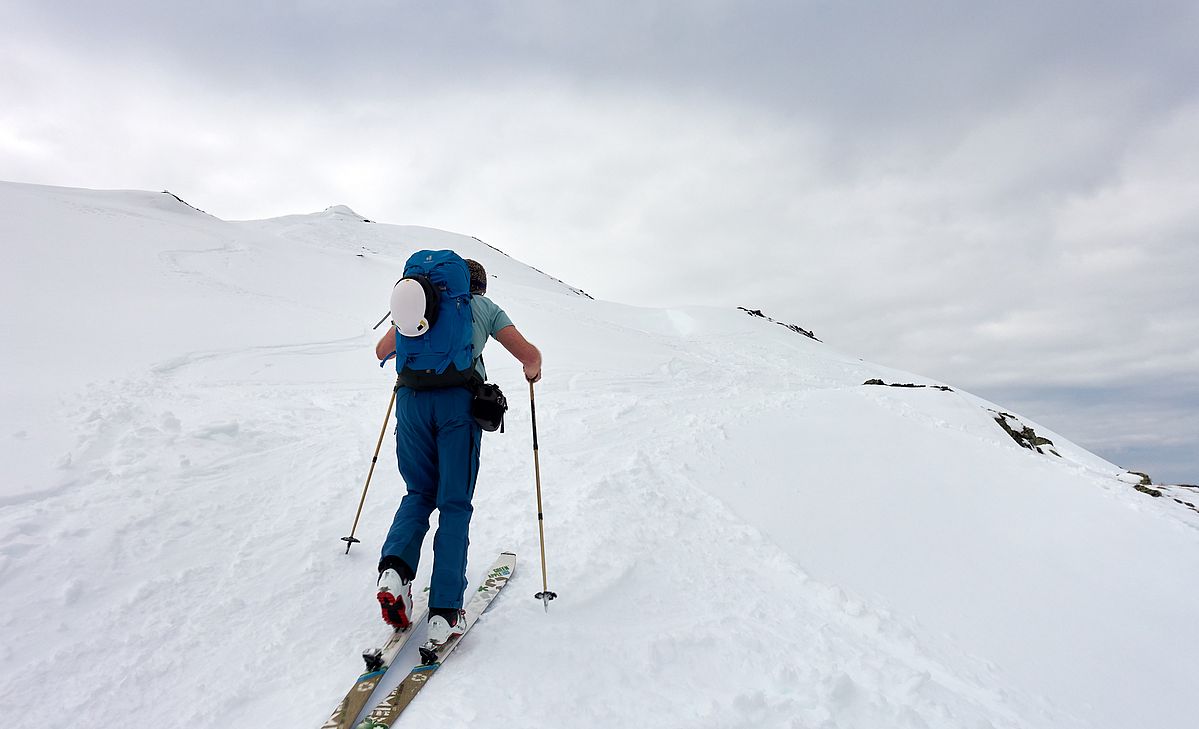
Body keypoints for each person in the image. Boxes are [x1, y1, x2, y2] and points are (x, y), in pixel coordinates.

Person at [373, 257, 542, 646]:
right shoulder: (483, 308)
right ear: (475, 287)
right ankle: (446, 612)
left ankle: (395, 573)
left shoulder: (421, 305)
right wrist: (533, 373)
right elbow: (529, 356)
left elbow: (382, 351)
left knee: (418, 493)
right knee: (453, 503)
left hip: (412, 403)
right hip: (457, 409)